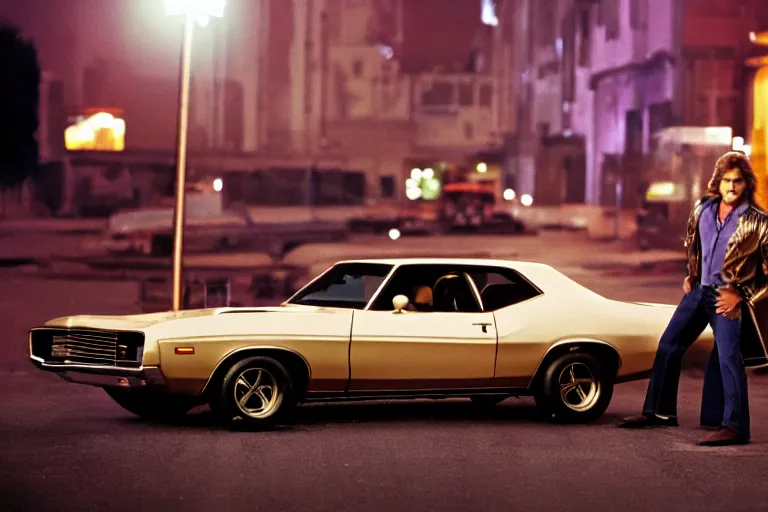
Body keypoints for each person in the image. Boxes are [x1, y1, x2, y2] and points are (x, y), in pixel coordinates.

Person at [618, 151, 768, 446]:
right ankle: (658, 412)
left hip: (727, 295)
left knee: (728, 358)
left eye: (738, 181)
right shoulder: (703, 209)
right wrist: (691, 272)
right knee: (669, 344)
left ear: (746, 183)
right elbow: (693, 242)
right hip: (699, 289)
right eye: (727, 180)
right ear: (718, 181)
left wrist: (742, 295)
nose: (732, 187)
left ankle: (735, 426)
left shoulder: (758, 221)